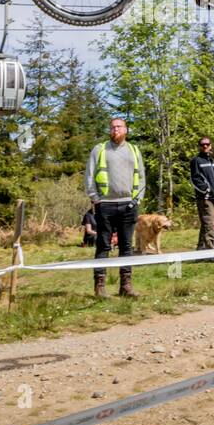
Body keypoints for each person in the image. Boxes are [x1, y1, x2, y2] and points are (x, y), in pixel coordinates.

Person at [85, 117, 146, 298]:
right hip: (105, 206)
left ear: (126, 130)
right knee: (103, 245)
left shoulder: (134, 150)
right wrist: (95, 199)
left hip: (129, 205)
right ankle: (100, 286)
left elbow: (142, 177)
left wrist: (138, 200)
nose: (115, 130)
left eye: (119, 127)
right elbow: (89, 176)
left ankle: (125, 286)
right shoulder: (100, 149)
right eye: (112, 127)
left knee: (126, 246)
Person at [189, 136, 214, 250]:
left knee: (206, 224)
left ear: (210, 146)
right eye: (202, 144)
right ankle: (210, 251)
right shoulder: (196, 160)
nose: (205, 146)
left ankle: (200, 250)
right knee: (209, 224)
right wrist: (206, 190)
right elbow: (195, 179)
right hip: (205, 198)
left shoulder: (213, 162)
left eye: (207, 144)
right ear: (199, 146)